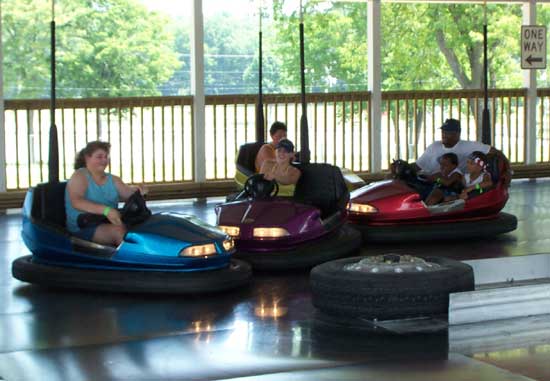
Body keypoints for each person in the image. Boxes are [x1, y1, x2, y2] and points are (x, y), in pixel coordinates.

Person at [65, 141, 146, 246]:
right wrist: (106, 210)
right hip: (84, 226)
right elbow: (77, 202)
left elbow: (127, 193)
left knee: (142, 227)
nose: (104, 160)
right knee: (119, 232)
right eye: (99, 157)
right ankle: (133, 260)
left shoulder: (113, 179)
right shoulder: (80, 176)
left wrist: (138, 191)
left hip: (108, 222)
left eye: (106, 157)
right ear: (87, 158)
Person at [413, 118, 512, 186]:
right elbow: (418, 165)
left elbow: (496, 152)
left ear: (457, 134)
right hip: (430, 181)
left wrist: (508, 171)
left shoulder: (468, 146)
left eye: (448, 133)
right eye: (443, 132)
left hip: (450, 185)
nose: (444, 135)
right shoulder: (434, 146)